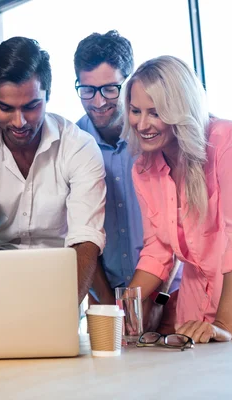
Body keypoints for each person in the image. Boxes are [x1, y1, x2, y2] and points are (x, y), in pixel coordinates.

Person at [125, 55, 232, 342]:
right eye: (136, 111)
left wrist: (223, 324)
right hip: (193, 315)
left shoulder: (228, 140)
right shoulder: (143, 168)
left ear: (180, 110)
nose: (142, 124)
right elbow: (157, 252)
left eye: (156, 112)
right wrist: (124, 310)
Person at [0, 37, 106, 304]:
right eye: (5, 108)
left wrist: (63, 311)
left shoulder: (79, 146)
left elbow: (86, 237)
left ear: (48, 95)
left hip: (65, 272)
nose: (19, 122)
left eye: (31, 106)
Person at [73, 31, 181, 330]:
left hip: (171, 292)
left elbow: (173, 230)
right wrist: (111, 305)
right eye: (87, 89)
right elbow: (78, 233)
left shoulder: (155, 135)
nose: (98, 102)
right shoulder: (73, 144)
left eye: (110, 89)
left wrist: (155, 299)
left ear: (130, 84)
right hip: (106, 296)